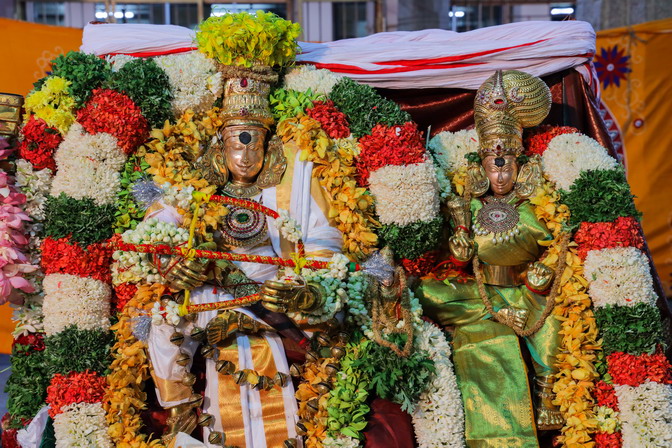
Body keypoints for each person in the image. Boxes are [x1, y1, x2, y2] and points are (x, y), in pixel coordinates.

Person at [145, 67, 343, 448]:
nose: (246, 155)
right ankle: (182, 413)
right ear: (221, 147)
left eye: (255, 145)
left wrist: (304, 289)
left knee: (328, 313)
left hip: (275, 292)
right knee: (161, 324)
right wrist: (175, 267)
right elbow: (156, 232)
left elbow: (322, 240)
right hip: (212, 292)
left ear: (268, 148)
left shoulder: (292, 185)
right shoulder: (196, 187)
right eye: (238, 144)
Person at [416, 70, 564, 447]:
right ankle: (500, 315)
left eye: (506, 163)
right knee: (427, 292)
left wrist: (542, 271)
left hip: (526, 292)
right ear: (480, 166)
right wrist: (460, 239)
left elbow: (557, 247)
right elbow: (459, 259)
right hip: (483, 295)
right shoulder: (467, 203)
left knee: (553, 323)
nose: (499, 172)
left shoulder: (534, 203)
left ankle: (547, 397)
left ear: (519, 164)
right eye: (492, 164)